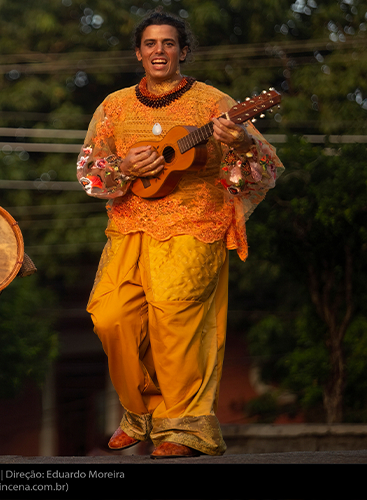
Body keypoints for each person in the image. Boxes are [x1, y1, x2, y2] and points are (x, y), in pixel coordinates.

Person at [76, 12, 283, 458]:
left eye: (169, 43)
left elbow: (264, 166)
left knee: (176, 323)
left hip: (193, 224)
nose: (159, 51)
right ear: (138, 52)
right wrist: (123, 167)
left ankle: (184, 427)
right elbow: (89, 173)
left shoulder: (214, 103)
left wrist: (241, 142)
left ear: (183, 51)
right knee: (110, 318)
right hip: (129, 225)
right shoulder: (113, 106)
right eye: (150, 43)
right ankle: (141, 412)